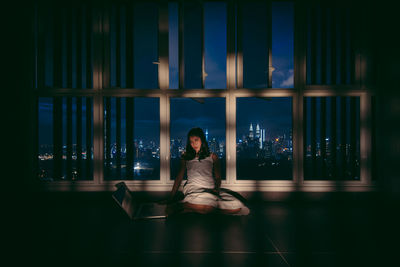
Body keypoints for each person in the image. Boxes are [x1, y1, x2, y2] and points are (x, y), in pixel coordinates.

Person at [166, 127, 250, 216]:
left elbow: (218, 178)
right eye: (191, 141)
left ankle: (190, 208)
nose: (194, 144)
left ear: (202, 139)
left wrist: (216, 189)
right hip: (193, 189)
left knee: (237, 205)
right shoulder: (186, 157)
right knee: (211, 205)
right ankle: (188, 206)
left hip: (210, 189)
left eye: (196, 140)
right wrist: (171, 197)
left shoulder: (213, 157)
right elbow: (179, 177)